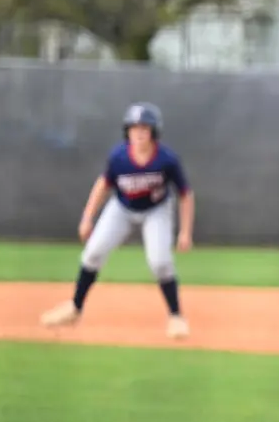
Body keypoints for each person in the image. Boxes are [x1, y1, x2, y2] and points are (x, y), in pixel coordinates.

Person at [39, 102, 195, 339]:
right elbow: (103, 185)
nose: (139, 133)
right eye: (134, 128)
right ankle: (74, 308)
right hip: (121, 208)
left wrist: (185, 232)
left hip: (157, 210)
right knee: (93, 253)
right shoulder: (119, 157)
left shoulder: (166, 159)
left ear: (154, 132)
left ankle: (176, 316)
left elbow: (185, 194)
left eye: (145, 128)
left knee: (160, 261)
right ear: (127, 132)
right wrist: (87, 217)